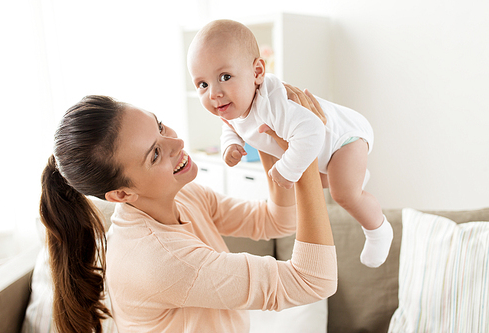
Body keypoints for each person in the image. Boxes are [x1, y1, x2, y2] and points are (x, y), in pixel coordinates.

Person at [39, 86, 337, 333]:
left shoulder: (181, 196)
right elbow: (313, 281)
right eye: (155, 154)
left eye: (159, 126)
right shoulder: (161, 260)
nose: (177, 142)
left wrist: (265, 135)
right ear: (121, 193)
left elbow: (276, 220)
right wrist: (304, 155)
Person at [187, 19, 393, 268]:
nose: (214, 93)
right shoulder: (235, 108)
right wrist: (230, 145)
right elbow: (230, 127)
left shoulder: (272, 103)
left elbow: (314, 129)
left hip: (344, 139)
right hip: (323, 155)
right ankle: (351, 175)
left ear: (257, 72)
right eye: (202, 84)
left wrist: (286, 169)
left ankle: (378, 230)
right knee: (317, 182)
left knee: (344, 194)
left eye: (225, 76)